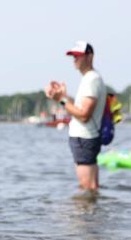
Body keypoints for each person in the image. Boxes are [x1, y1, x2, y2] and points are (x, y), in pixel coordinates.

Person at [45, 41, 107, 192]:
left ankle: (85, 215)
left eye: (78, 56)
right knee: (89, 187)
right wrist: (63, 96)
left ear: (90, 56)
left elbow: (84, 115)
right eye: (73, 56)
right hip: (84, 138)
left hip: (85, 139)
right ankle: (89, 214)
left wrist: (61, 99)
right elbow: (79, 109)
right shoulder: (89, 78)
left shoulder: (92, 79)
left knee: (88, 188)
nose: (75, 59)